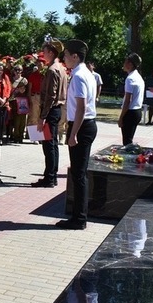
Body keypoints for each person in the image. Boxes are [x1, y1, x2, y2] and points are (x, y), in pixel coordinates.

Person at [57, 39, 97, 230]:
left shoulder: (80, 76)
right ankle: (78, 216)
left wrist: (73, 134)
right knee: (79, 173)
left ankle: (79, 219)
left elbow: (81, 108)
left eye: (66, 55)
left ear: (75, 56)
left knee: (79, 175)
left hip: (82, 126)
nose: (64, 58)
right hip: (85, 125)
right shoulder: (85, 73)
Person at [32, 39, 67, 188]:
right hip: (56, 110)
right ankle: (51, 176)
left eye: (45, 52)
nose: (43, 54)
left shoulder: (53, 69)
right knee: (53, 145)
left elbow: (51, 96)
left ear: (51, 53)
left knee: (49, 146)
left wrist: (42, 117)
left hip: (51, 110)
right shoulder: (61, 67)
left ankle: (50, 178)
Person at [118, 52, 144, 146]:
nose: (123, 64)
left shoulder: (130, 79)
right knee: (129, 139)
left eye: (125, 62)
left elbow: (128, 100)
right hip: (137, 111)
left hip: (130, 112)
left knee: (127, 142)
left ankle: (130, 159)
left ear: (130, 64)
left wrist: (121, 118)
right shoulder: (138, 77)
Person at [8, 65, 29, 143]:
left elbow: (24, 91)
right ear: (13, 71)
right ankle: (13, 135)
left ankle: (20, 137)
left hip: (21, 102)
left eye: (20, 70)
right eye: (16, 70)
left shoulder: (24, 80)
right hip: (12, 101)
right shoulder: (11, 79)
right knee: (13, 120)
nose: (18, 71)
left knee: (22, 120)